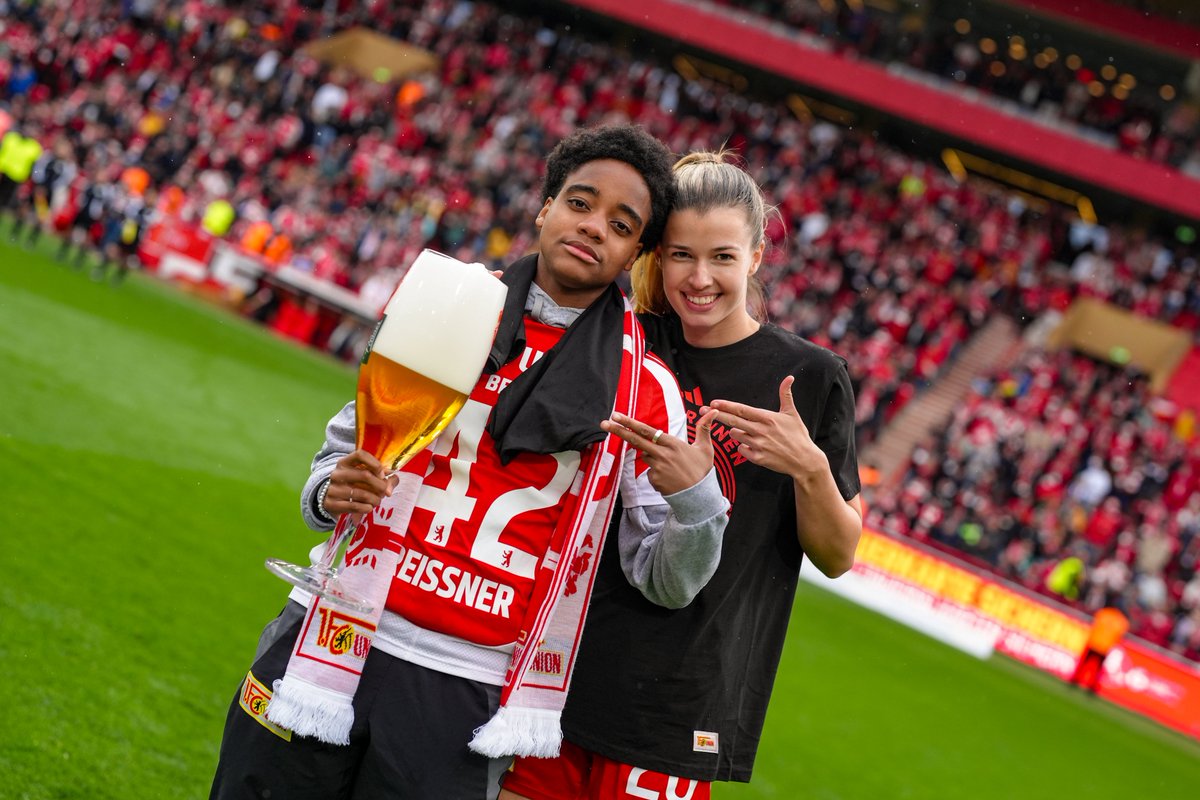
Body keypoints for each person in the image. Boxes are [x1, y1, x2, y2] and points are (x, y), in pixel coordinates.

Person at [209, 125, 731, 800]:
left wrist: (695, 502)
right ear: (545, 207)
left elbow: (668, 582)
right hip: (327, 635)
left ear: (638, 251)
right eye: (580, 202)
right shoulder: (449, 296)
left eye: (622, 223)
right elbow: (344, 446)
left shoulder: (643, 386)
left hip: (463, 690)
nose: (594, 227)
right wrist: (329, 490)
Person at [502, 151, 863, 799]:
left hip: (680, 702)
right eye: (680, 256)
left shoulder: (809, 378)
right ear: (655, 257)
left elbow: (837, 556)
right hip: (558, 671)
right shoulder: (621, 339)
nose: (700, 278)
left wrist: (809, 467)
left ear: (756, 257)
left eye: (722, 257)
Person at [1070, 606, 1129, 693]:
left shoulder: (1104, 613)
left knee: (1084, 664)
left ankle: (1076, 680)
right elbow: (1120, 636)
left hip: (1094, 642)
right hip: (1105, 647)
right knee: (1098, 669)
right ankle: (1092, 686)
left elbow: (1094, 622)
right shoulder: (1122, 622)